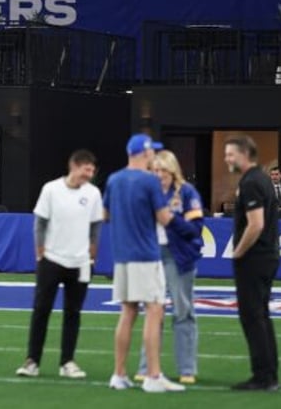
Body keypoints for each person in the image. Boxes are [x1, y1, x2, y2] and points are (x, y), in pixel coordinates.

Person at [103, 133, 184, 393]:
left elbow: (105, 215)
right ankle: (153, 375)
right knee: (154, 310)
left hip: (122, 255)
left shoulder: (114, 179)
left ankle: (119, 374)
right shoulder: (149, 181)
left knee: (127, 312)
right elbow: (163, 218)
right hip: (146, 255)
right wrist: (180, 220)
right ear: (145, 153)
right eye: (152, 152)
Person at [15, 149, 103, 380]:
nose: (90, 174)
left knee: (73, 312)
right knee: (41, 310)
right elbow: (40, 222)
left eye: (92, 171)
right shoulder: (51, 189)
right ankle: (32, 360)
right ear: (74, 166)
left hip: (81, 262)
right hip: (51, 260)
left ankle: (67, 361)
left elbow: (95, 227)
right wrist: (40, 252)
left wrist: (92, 254)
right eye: (87, 169)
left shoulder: (93, 193)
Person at [134, 150, 204, 385]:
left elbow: (195, 229)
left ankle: (187, 368)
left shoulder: (187, 193)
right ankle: (146, 366)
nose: (159, 175)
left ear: (173, 171)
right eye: (155, 170)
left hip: (178, 257)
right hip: (152, 256)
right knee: (153, 312)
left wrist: (171, 221)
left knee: (183, 311)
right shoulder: (146, 193)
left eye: (164, 170)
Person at [224, 134, 280, 391]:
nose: (227, 159)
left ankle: (263, 376)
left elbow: (256, 224)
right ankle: (268, 373)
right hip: (265, 256)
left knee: (253, 316)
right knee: (261, 316)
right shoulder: (261, 178)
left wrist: (238, 252)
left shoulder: (252, 182)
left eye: (230, 154)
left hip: (255, 259)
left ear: (244, 154)